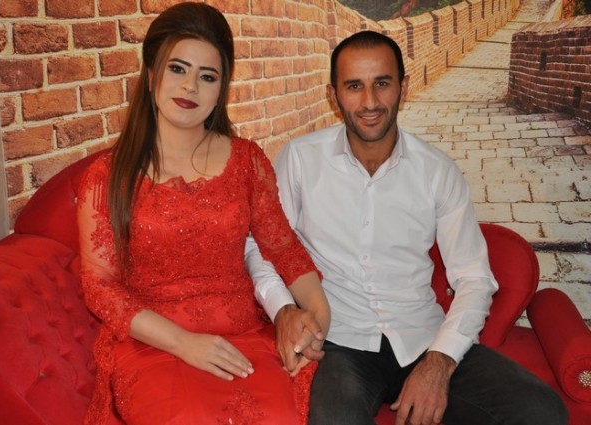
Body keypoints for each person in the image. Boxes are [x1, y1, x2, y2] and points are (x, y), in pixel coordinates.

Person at [246, 30, 568, 425]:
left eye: (382, 83)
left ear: (404, 86)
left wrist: (440, 361)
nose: (370, 102)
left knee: (541, 411)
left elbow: (474, 278)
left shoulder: (437, 171)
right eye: (354, 86)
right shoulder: (300, 159)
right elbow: (261, 245)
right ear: (333, 96)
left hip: (423, 337)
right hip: (340, 342)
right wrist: (282, 310)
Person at [77, 3, 330, 424]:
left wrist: (317, 323)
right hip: (154, 344)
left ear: (221, 89)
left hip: (243, 339)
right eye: (177, 69)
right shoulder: (107, 177)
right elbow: (100, 287)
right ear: (151, 74)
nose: (190, 86)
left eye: (207, 76)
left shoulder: (247, 161)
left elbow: (284, 250)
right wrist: (182, 343)